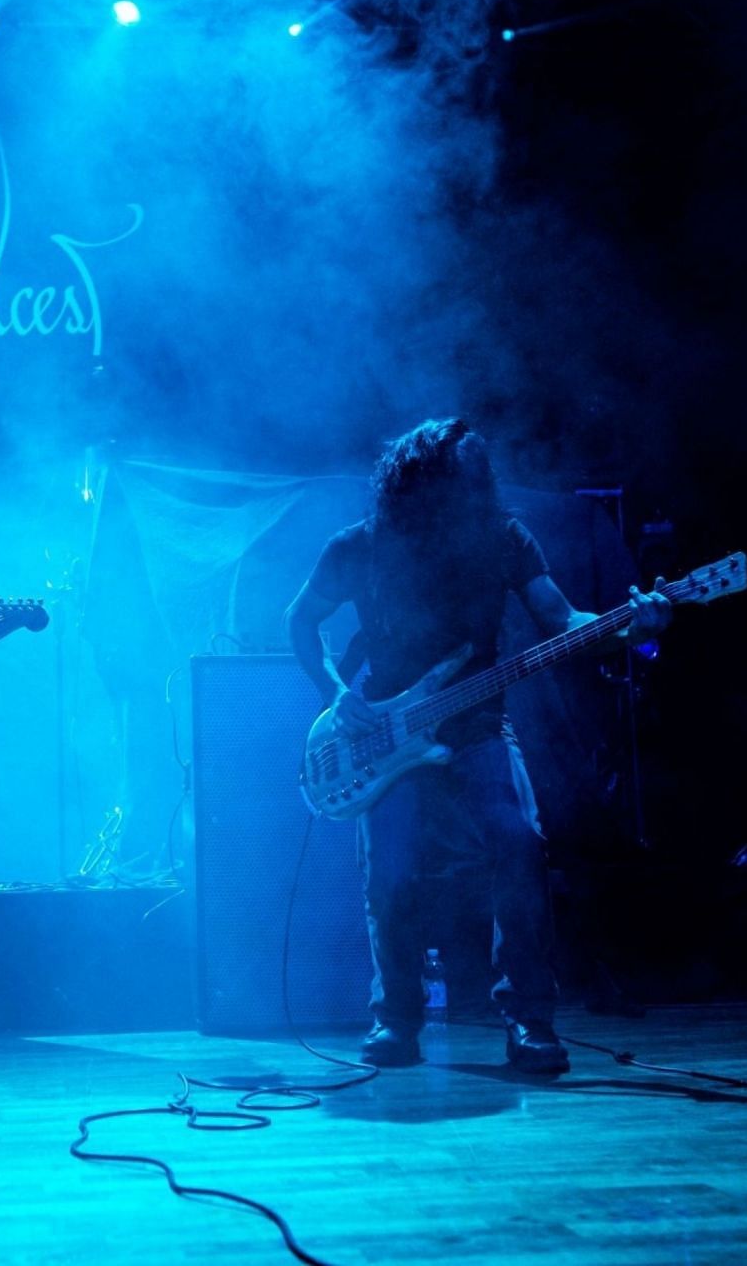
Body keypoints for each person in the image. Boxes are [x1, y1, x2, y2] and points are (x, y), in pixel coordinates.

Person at [285, 418, 671, 1074]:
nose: (464, 504)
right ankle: (396, 1020)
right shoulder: (360, 547)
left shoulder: (502, 539)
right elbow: (301, 617)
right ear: (415, 490)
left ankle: (530, 1020)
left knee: (520, 844)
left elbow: (564, 622)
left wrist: (633, 625)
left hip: (477, 721)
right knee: (391, 872)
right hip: (382, 730)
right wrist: (333, 689)